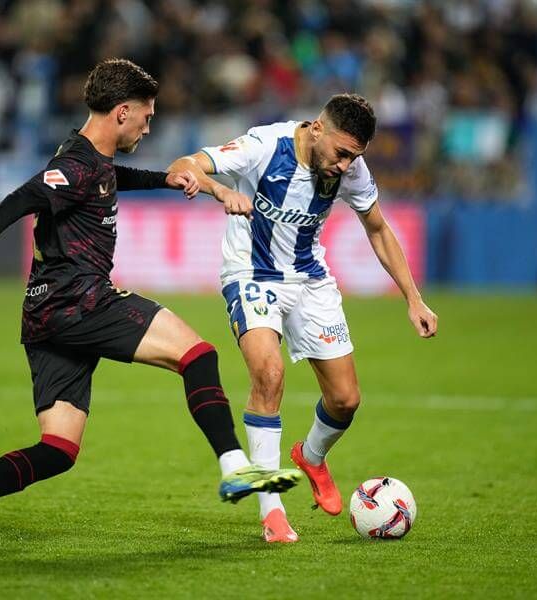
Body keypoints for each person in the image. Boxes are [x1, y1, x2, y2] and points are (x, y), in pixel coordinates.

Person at [0, 58, 301, 546]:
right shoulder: (73, 164)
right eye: (146, 115)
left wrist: (166, 180)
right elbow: (32, 192)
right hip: (80, 299)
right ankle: (235, 466)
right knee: (198, 356)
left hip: (44, 315)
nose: (148, 123)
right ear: (122, 112)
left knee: (58, 448)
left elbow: (112, 177)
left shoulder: (88, 158)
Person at [167, 93, 438, 543]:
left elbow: (377, 227)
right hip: (251, 273)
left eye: (356, 157)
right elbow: (185, 163)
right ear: (317, 128)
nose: (347, 165)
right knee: (268, 375)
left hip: (310, 279)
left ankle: (311, 456)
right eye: (342, 153)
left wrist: (413, 298)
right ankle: (271, 511)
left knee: (346, 400)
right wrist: (219, 189)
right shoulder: (263, 146)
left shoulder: (349, 169)